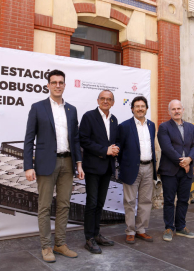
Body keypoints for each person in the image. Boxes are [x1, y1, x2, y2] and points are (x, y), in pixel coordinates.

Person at [23, 69, 85, 263]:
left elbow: (75, 139)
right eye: (54, 82)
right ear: (48, 85)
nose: (58, 85)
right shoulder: (37, 107)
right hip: (45, 163)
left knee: (64, 205)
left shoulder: (72, 109)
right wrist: (28, 165)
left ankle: (60, 243)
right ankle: (46, 246)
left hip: (68, 162)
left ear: (65, 85)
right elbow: (28, 138)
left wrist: (79, 163)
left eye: (61, 82)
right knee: (44, 206)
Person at [79, 90, 119, 254]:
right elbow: (84, 140)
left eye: (109, 99)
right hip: (93, 167)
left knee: (100, 203)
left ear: (113, 102)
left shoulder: (114, 120)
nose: (105, 101)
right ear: (98, 100)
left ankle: (96, 234)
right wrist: (105, 150)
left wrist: (115, 149)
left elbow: (113, 142)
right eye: (102, 98)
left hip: (107, 167)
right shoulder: (89, 116)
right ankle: (89, 238)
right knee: (92, 203)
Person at [157, 100, 194, 242]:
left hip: (186, 170)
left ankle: (181, 227)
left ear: (183, 109)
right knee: (169, 200)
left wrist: (189, 159)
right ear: (169, 112)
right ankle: (169, 228)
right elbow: (167, 148)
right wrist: (183, 162)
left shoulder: (191, 128)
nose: (176, 111)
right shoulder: (164, 127)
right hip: (169, 171)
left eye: (178, 108)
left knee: (183, 200)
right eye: (173, 109)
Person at [118, 96, 157, 244]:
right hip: (131, 168)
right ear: (132, 109)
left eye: (143, 106)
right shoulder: (125, 126)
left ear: (146, 108)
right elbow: (120, 151)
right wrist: (125, 166)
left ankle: (141, 230)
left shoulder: (152, 125)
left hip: (149, 167)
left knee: (146, 201)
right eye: (137, 106)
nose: (140, 108)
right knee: (129, 201)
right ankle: (130, 231)